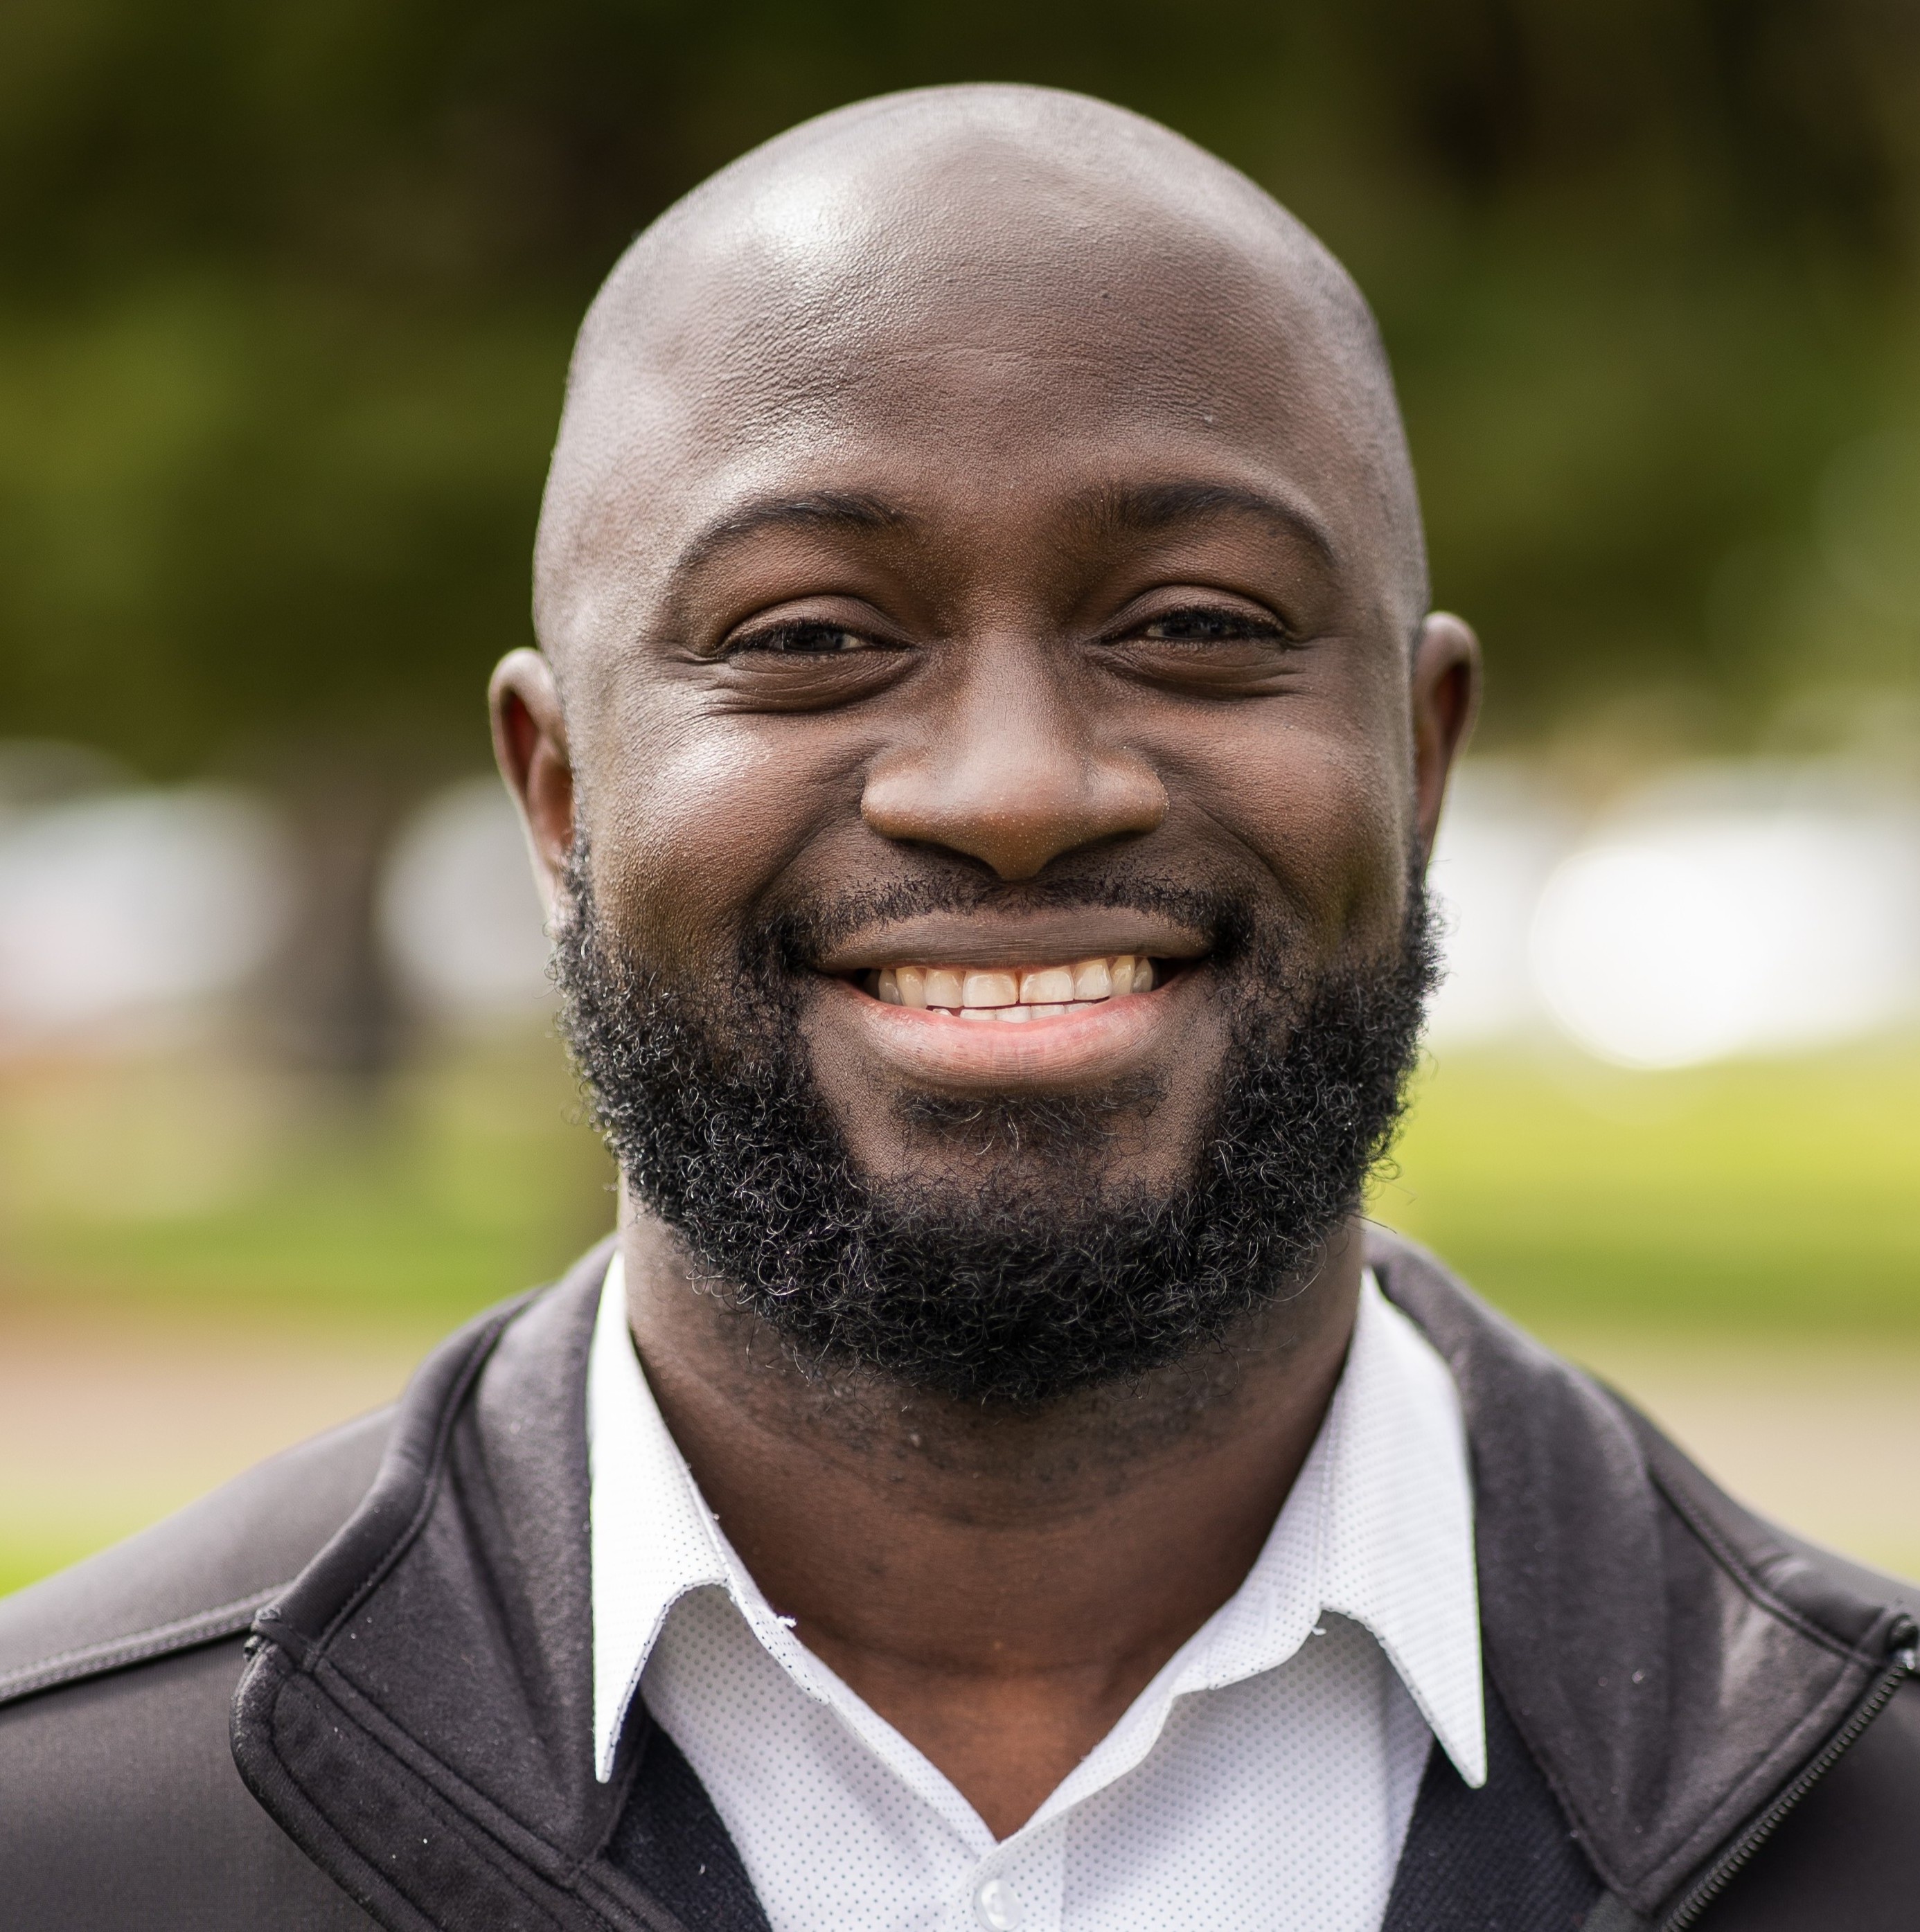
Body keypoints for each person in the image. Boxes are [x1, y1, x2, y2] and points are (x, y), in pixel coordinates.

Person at [1, 84, 1914, 1932]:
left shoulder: (1874, 1818)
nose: (1011, 788)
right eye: (812, 638)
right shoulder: (63, 1841)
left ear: (1417, 760)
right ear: (561, 797)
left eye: (1193, 623)